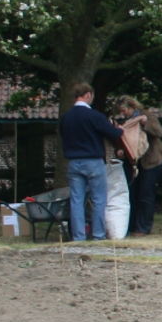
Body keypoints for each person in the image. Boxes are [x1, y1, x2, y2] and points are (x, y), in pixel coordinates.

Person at [58, 83, 123, 243]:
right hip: (93, 161)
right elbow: (113, 133)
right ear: (87, 95)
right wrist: (120, 129)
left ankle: (78, 236)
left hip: (73, 162)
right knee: (99, 199)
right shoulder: (94, 116)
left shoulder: (66, 117)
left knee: (76, 200)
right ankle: (98, 235)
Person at [116, 95, 162, 237]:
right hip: (133, 162)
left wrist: (145, 124)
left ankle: (143, 228)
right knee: (133, 193)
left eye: (124, 110)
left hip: (151, 161)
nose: (122, 113)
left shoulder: (147, 116)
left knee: (145, 194)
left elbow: (159, 132)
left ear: (132, 107)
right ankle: (132, 226)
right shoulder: (124, 121)